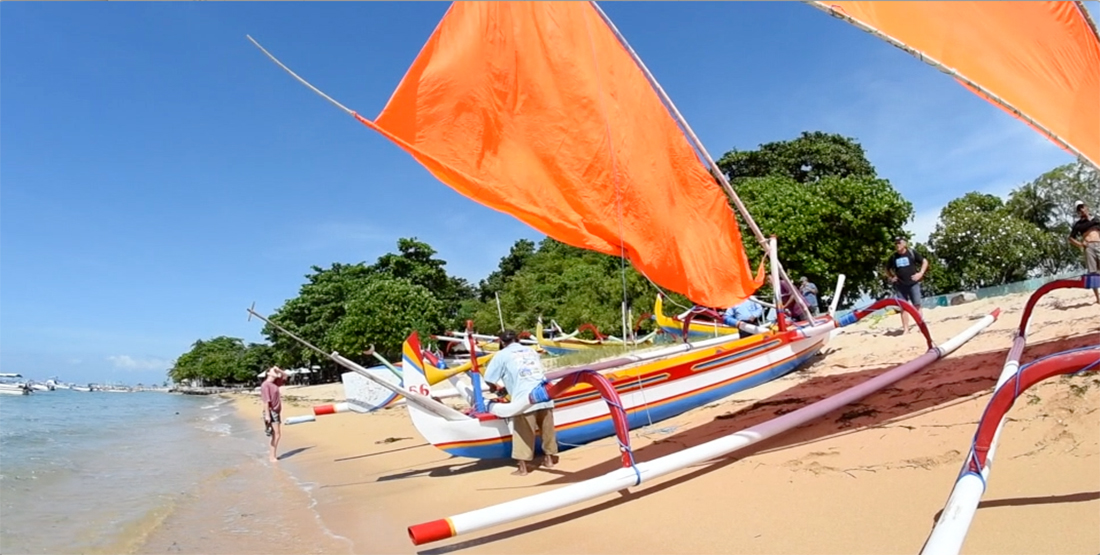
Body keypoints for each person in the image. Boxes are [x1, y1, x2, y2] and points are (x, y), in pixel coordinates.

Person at [484, 330, 558, 476]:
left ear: (502, 342)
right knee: (547, 431)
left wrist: (494, 388)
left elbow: (489, 378)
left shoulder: (502, 355)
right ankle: (549, 460)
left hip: (524, 399)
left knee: (523, 433)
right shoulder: (531, 351)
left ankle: (523, 468)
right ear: (517, 339)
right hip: (544, 396)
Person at [884, 236, 928, 334]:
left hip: (913, 284)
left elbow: (924, 261)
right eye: (896, 243)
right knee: (903, 308)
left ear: (905, 244)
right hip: (900, 285)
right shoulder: (893, 257)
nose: (897, 245)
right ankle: (906, 329)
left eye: (899, 243)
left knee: (917, 305)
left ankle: (920, 326)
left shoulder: (912, 253)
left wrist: (921, 273)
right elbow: (887, 269)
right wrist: (891, 277)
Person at [1068, 200, 1100, 304]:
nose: (1081, 210)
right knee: (1093, 273)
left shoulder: (1096, 220)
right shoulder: (1078, 224)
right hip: (1089, 248)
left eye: (1082, 207)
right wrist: (1080, 244)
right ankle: (1098, 298)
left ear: (1086, 207)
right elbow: (1070, 238)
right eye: (1079, 209)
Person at [261, 366, 286, 463]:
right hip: (271, 412)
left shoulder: (275, 383)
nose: (275, 372)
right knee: (276, 434)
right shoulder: (265, 385)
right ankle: (272, 457)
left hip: (276, 411)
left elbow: (286, 375)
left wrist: (279, 369)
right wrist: (267, 415)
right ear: (268, 373)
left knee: (276, 434)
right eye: (273, 371)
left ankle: (272, 456)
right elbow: (266, 401)